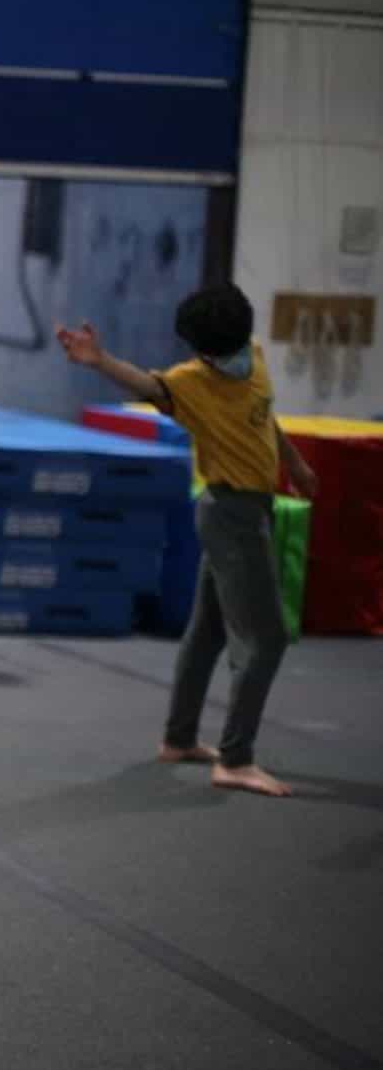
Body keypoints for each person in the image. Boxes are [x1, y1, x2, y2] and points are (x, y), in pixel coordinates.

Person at [57, 284, 318, 799]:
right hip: (231, 515)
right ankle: (236, 759)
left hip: (250, 509)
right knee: (266, 639)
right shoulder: (191, 383)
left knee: (208, 633)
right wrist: (98, 359)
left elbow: (264, 416)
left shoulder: (254, 355)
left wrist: (294, 462)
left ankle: (179, 739)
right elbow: (145, 384)